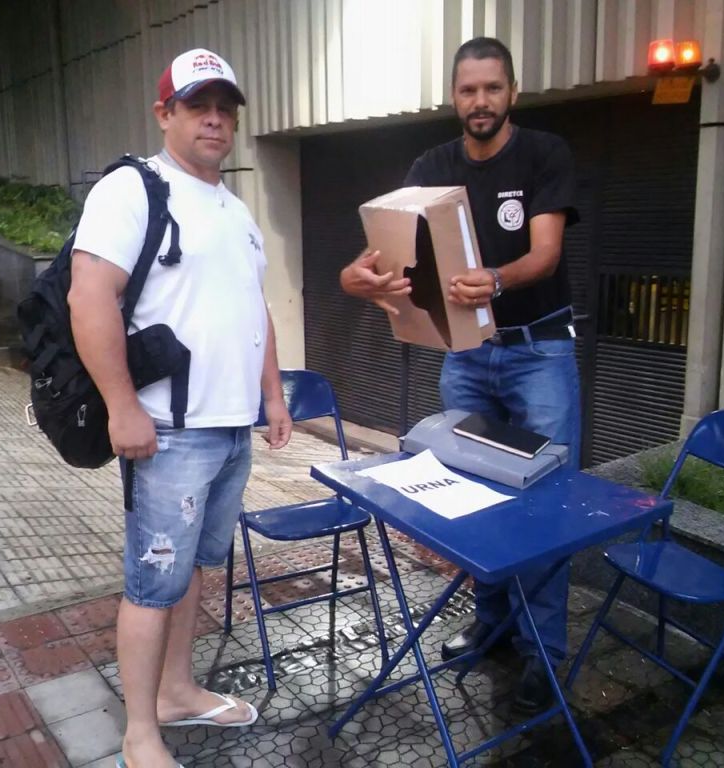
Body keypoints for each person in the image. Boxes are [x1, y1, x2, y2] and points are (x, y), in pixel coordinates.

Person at [340, 36, 580, 713]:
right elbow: (385, 249)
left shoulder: (545, 154)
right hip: (466, 356)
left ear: (512, 93)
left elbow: (546, 253)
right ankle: (492, 624)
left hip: (538, 352)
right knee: (475, 496)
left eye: (492, 88)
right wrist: (358, 275)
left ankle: (544, 653)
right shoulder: (432, 167)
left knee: (544, 502)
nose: (481, 101)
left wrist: (494, 280)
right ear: (454, 96)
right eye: (469, 90)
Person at [68, 48, 292, 768]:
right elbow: (88, 296)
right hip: (168, 432)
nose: (215, 120)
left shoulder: (236, 211)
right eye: (199, 106)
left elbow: (254, 307)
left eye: (225, 108)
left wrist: (272, 394)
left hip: (229, 430)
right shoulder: (134, 189)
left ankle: (176, 691)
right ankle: (140, 734)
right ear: (165, 113)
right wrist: (121, 407)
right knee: (152, 582)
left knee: (193, 570)